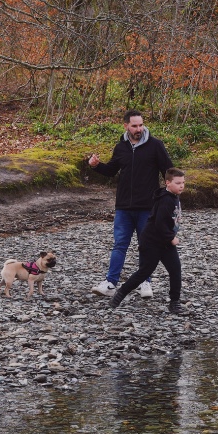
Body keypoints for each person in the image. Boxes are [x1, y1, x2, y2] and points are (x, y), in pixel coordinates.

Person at [88, 108, 173, 297]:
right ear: (126, 126)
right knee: (120, 245)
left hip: (148, 207)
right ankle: (110, 284)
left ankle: (146, 283)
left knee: (147, 245)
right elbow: (111, 170)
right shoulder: (121, 147)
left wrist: (168, 198)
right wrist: (96, 166)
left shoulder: (155, 146)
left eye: (141, 125)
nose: (139, 129)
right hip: (124, 207)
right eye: (134, 125)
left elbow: (168, 171)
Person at [109, 168, 185, 315]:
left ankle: (175, 302)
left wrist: (169, 238)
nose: (181, 186)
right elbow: (159, 223)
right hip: (151, 242)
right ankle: (119, 295)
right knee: (144, 272)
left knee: (175, 270)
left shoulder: (175, 196)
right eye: (178, 183)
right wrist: (172, 238)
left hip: (165, 243)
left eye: (183, 183)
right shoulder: (165, 200)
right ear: (167, 183)